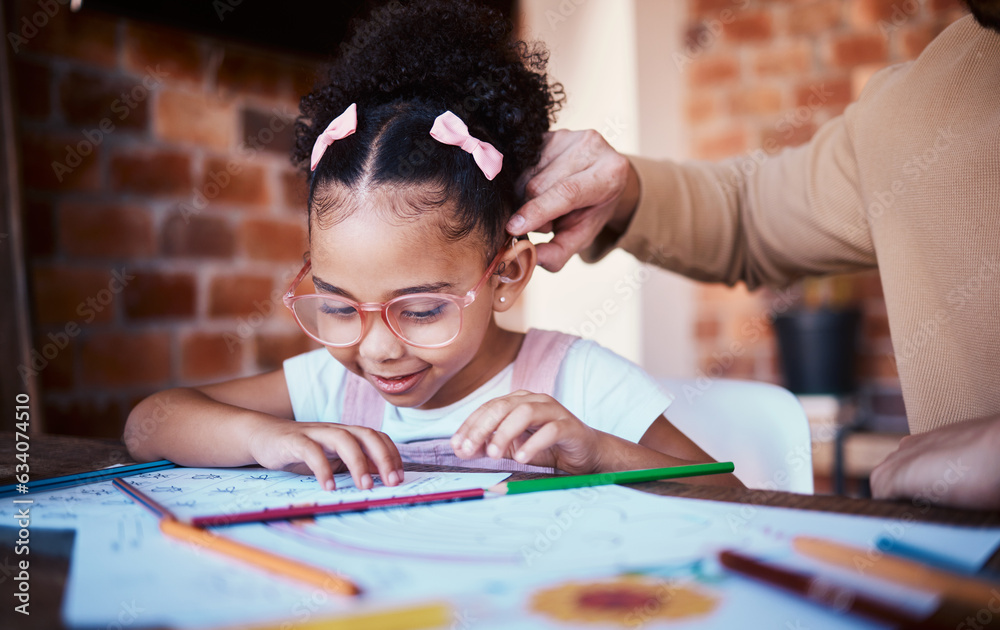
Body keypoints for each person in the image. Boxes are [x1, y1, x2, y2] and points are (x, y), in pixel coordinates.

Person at [123, 1, 740, 492]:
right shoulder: (336, 386)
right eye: (338, 307)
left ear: (509, 274)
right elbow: (148, 425)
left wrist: (598, 452)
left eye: (420, 310)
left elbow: (731, 498)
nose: (378, 349)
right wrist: (261, 438)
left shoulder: (574, 381)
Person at [506, 5, 1000, 510]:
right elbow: (748, 215)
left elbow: (722, 492)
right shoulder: (934, 93)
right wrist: (626, 188)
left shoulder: (582, 377)